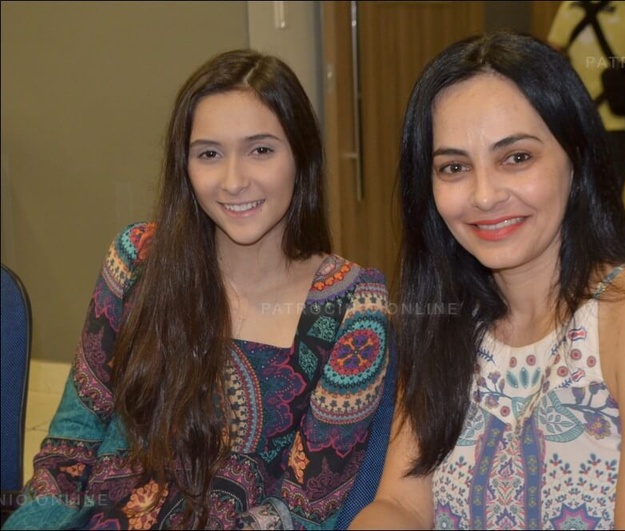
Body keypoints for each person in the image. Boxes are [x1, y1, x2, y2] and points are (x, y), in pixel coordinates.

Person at [3, 49, 390, 530]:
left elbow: (305, 512)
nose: (233, 181)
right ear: (184, 165)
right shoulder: (136, 260)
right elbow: (68, 452)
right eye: (209, 154)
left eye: (261, 150)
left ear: (301, 155)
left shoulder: (353, 305)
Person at [349, 32, 625, 530]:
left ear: (576, 157)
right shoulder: (442, 315)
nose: (484, 195)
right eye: (454, 167)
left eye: (516, 158)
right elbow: (401, 504)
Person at [547, 0, 625, 195]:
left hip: (575, 115)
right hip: (613, 120)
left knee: (576, 192)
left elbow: (551, 59)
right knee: (609, 195)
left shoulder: (569, 6)